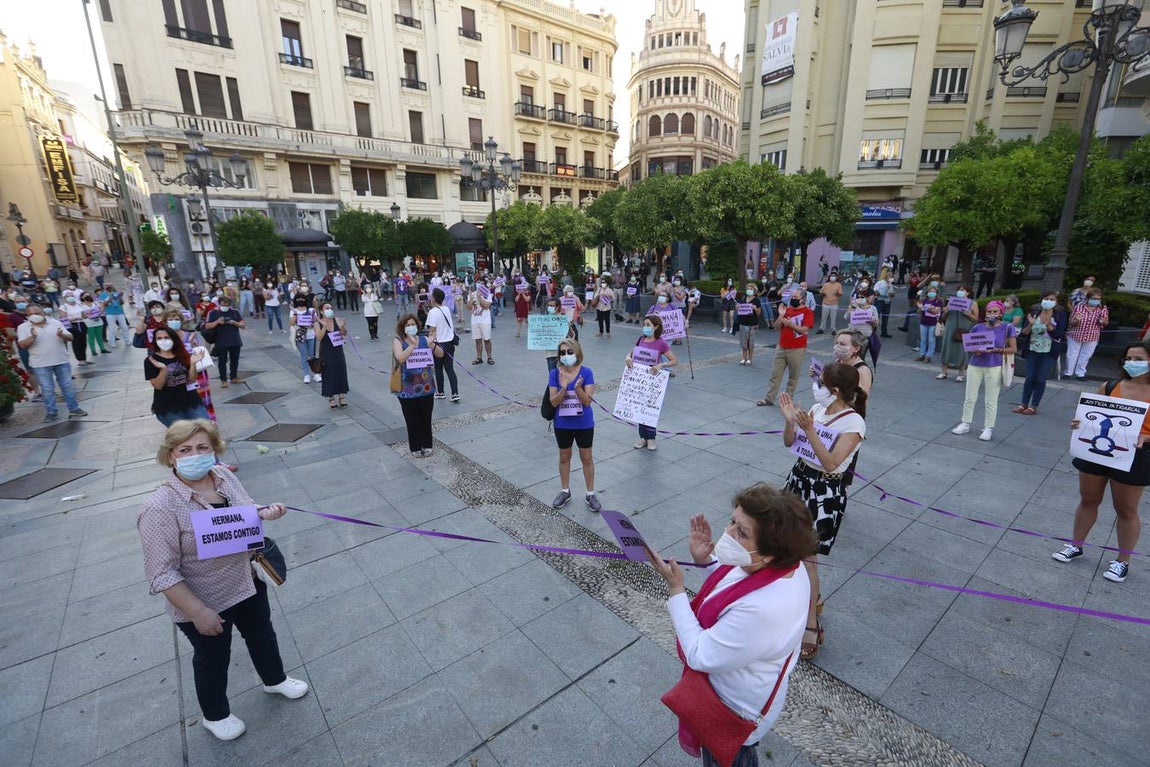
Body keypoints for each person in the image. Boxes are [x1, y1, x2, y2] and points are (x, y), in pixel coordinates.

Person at [137, 420, 308, 741]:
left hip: (246, 580)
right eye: (185, 449)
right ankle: (215, 715)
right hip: (204, 598)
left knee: (262, 635)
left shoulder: (223, 476)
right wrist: (198, 612)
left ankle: (275, 679)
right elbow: (161, 573)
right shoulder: (159, 507)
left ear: (214, 450)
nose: (195, 455)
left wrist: (263, 512)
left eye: (203, 447)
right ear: (171, 456)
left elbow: (245, 509)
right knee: (213, 657)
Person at [645, 486, 813, 767]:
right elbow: (737, 584)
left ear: (769, 553)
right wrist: (705, 561)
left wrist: (676, 591)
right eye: (732, 521)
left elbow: (699, 653)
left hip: (733, 711)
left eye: (742, 532)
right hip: (740, 689)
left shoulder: (764, 610)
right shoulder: (784, 566)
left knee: (731, 759)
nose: (728, 532)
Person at [780, 362, 867, 660]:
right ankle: (808, 600)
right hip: (799, 479)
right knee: (785, 544)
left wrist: (810, 430)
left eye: (821, 383)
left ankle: (811, 624)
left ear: (836, 391)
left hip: (823, 491)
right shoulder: (818, 409)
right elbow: (791, 443)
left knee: (808, 560)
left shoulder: (854, 423)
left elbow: (831, 463)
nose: (816, 388)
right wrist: (790, 422)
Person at [1053, 340, 1150, 583]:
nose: (1132, 363)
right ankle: (1076, 545)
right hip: (1096, 451)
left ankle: (1122, 560)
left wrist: (1146, 437)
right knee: (1088, 499)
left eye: (1139, 359)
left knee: (1126, 510)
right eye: (1129, 359)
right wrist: (1080, 423)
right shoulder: (1110, 386)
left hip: (1136, 456)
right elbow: (1091, 417)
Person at [951, 300, 1017, 441]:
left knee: (991, 399)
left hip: (994, 365)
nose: (992, 314)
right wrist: (974, 350)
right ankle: (965, 423)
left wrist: (996, 350)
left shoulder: (1007, 327)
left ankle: (988, 428)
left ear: (1001, 313)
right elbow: (969, 346)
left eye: (995, 311)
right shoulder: (977, 327)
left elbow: (1013, 349)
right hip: (975, 364)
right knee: (970, 397)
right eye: (989, 311)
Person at [548, 338, 601, 512]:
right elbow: (553, 402)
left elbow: (587, 402)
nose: (566, 355)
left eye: (569, 351)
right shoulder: (555, 373)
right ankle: (565, 491)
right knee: (564, 457)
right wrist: (563, 388)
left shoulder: (587, 372)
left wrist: (577, 388)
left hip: (583, 423)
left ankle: (590, 494)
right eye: (562, 352)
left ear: (577, 352)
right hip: (563, 423)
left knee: (587, 458)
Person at [16, 305, 87, 423]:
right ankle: (51, 412)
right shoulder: (23, 327)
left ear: (43, 313)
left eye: (37, 313)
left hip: (61, 360)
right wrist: (32, 337)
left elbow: (70, 337)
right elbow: (22, 345)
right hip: (40, 363)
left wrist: (62, 335)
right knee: (47, 389)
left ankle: (74, 408)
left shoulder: (55, 323)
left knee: (67, 386)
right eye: (30, 314)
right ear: (27, 316)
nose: (34, 316)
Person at [392, 313, 444, 456]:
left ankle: (427, 444)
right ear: (403, 327)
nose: (411, 327)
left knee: (425, 417)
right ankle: (415, 446)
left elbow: (440, 354)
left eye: (413, 324)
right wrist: (412, 346)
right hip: (407, 388)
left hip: (426, 387)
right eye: (408, 325)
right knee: (411, 418)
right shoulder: (398, 340)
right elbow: (400, 358)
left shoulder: (424, 339)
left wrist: (432, 344)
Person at [626, 314, 678, 450]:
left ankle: (651, 438)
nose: (645, 327)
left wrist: (661, 365)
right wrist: (628, 358)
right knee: (640, 409)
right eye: (644, 324)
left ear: (656, 327)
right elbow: (631, 353)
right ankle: (642, 437)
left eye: (648, 325)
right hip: (639, 380)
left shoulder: (661, 343)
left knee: (650, 410)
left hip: (653, 381)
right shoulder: (641, 339)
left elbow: (674, 360)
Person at [758, 288, 814, 407]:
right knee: (775, 374)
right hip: (781, 346)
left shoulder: (808, 312)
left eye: (795, 297)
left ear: (803, 299)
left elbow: (804, 330)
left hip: (797, 349)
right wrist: (781, 316)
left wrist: (790, 324)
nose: (793, 299)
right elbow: (776, 327)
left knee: (793, 377)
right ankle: (769, 398)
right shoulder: (787, 310)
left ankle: (787, 401)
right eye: (792, 297)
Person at [1014, 291, 1068, 415]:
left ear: (1056, 302)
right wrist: (1031, 324)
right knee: (1030, 377)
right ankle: (1023, 403)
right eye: (1046, 298)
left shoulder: (1059, 315)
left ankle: (1034, 405)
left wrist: (1049, 327)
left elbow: (1059, 334)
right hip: (1033, 349)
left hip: (1049, 352)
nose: (1048, 301)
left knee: (1040, 378)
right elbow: (1024, 333)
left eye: (1051, 299)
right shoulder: (1034, 313)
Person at [145, 327, 210, 425]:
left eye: (166, 337)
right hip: (167, 406)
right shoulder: (151, 360)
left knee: (205, 426)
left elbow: (191, 380)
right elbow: (158, 386)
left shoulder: (183, 355)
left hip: (191, 400)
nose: (163, 341)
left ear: (173, 339)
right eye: (159, 338)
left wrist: (192, 364)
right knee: (184, 432)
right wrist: (164, 370)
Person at [425, 287, 460, 403]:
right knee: (450, 369)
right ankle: (455, 393)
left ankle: (440, 392)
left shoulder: (433, 312)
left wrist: (429, 342)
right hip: (449, 343)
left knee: (438, 368)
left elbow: (432, 330)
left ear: (434, 299)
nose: (430, 298)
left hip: (438, 344)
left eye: (431, 296)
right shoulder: (446, 309)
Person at [1065, 288, 1110, 379]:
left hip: (1092, 336)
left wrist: (1102, 321)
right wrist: (1077, 320)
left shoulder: (1102, 308)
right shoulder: (1079, 306)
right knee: (1071, 354)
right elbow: (1071, 322)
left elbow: (1105, 322)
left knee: (1086, 355)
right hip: (1075, 335)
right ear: (1088, 298)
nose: (1095, 301)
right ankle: (1068, 373)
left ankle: (1080, 374)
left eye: (1098, 299)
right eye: (1093, 298)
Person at [314, 302, 349, 409]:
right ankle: (330, 396)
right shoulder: (317, 323)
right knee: (329, 373)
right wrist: (324, 326)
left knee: (340, 371)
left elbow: (344, 333)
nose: (329, 310)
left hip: (338, 350)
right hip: (326, 351)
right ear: (321, 311)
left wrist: (342, 327)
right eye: (327, 308)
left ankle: (342, 395)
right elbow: (319, 338)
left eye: (331, 308)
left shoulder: (336, 320)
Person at [204, 296, 245, 388]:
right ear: (219, 304)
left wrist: (233, 322)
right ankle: (223, 380)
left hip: (235, 340)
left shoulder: (235, 312)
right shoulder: (213, 312)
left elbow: (242, 325)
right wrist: (217, 322)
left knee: (235, 360)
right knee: (222, 361)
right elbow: (207, 326)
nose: (225, 307)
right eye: (223, 305)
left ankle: (234, 377)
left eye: (227, 305)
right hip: (220, 341)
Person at [289, 295, 321, 384]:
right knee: (304, 356)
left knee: (312, 355)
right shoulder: (293, 311)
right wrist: (295, 314)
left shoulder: (311, 310)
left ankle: (316, 373)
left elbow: (316, 321)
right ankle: (306, 374)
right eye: (298, 299)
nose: (300, 300)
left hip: (311, 334)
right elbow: (291, 323)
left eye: (302, 299)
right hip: (300, 335)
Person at [831, 330, 873, 395]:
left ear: (856, 348)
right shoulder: (839, 361)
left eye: (842, 344)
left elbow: (862, 398)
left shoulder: (862, 371)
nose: (837, 347)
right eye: (837, 343)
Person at [915, 284, 944, 363]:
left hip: (933, 323)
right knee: (923, 339)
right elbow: (919, 312)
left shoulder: (938, 302)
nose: (932, 293)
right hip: (923, 322)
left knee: (931, 340)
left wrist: (927, 308)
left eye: (934, 291)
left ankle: (929, 356)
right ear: (927, 293)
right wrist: (920, 308)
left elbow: (936, 311)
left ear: (936, 293)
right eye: (930, 291)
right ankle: (922, 354)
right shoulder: (924, 300)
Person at [468, 279, 494, 364]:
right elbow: (468, 307)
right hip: (475, 320)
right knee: (477, 340)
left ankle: (489, 357)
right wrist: (471, 299)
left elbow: (487, 306)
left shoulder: (488, 294)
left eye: (482, 284)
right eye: (479, 283)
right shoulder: (472, 294)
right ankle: (479, 357)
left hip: (485, 320)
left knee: (487, 339)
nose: (480, 286)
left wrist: (480, 298)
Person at [736, 283, 763, 366]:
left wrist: (755, 309)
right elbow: (739, 309)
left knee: (751, 341)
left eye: (751, 289)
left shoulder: (757, 300)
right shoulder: (743, 298)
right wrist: (737, 307)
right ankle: (744, 358)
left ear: (754, 291)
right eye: (748, 288)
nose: (749, 290)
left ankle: (749, 359)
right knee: (743, 341)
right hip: (743, 322)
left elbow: (759, 313)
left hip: (752, 323)